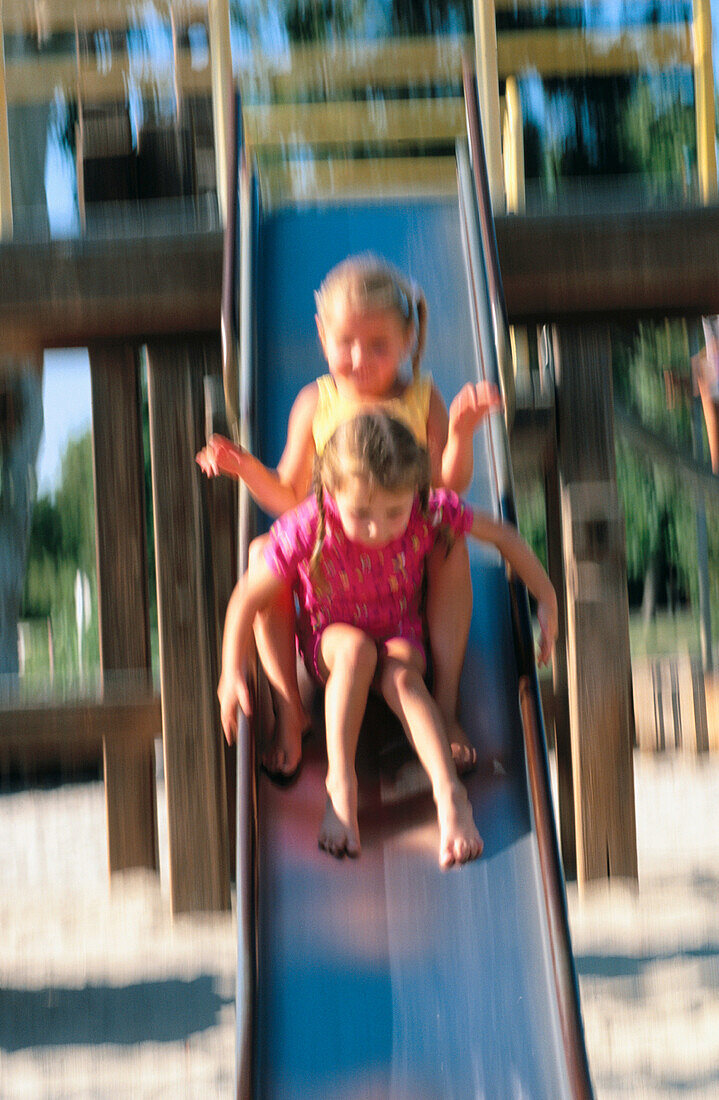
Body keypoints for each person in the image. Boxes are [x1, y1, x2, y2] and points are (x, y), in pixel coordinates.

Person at [198, 253, 502, 780]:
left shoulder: (421, 399)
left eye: (378, 345)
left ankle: (446, 705)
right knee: (259, 555)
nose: (359, 357)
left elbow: (446, 492)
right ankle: (290, 710)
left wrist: (460, 435)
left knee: (450, 542)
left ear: (408, 338)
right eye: (345, 343)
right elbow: (292, 496)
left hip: (398, 585)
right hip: (334, 591)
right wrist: (245, 467)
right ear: (321, 334)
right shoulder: (317, 402)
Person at [217, 412, 557, 869]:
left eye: (393, 513)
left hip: (400, 633)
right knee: (355, 650)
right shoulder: (312, 522)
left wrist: (548, 597)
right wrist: (230, 670)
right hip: (332, 638)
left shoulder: (428, 509)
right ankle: (341, 791)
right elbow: (246, 598)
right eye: (361, 514)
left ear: (414, 494)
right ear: (331, 492)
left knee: (401, 676)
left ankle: (451, 796)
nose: (377, 529)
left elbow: (502, 536)